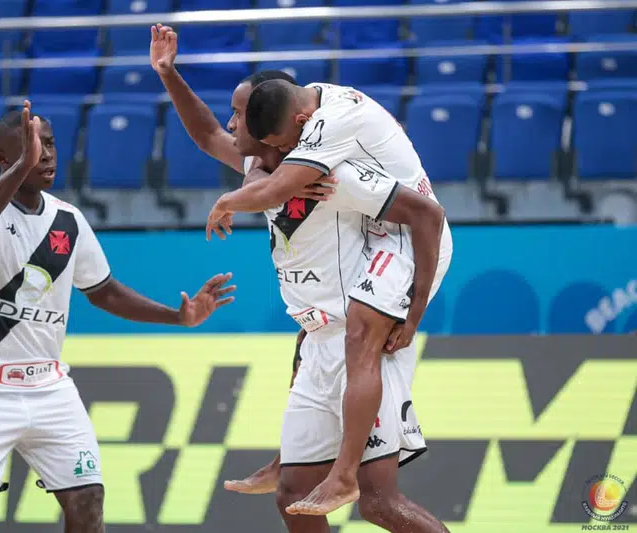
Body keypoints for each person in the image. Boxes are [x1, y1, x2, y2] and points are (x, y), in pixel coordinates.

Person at [151, 24, 452, 533]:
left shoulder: (330, 172)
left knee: (378, 502)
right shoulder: (262, 158)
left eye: (239, 116)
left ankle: (343, 473)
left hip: (380, 309)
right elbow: (208, 137)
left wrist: (416, 310)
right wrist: (168, 73)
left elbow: (424, 215)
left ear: (284, 126)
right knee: (292, 495)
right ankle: (296, 460)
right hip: (319, 333)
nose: (232, 124)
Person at [0, 101, 236, 533]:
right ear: (4, 158)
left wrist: (178, 317)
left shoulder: (68, 220)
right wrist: (22, 166)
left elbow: (105, 292)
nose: (45, 154)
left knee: (87, 500)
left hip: (48, 386)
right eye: (31, 146)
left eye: (51, 144)